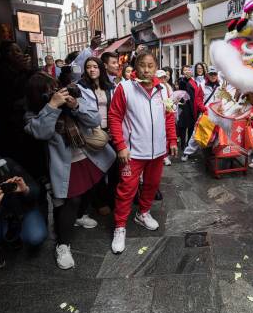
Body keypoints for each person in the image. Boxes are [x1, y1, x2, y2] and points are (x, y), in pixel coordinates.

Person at [24, 72, 115, 269]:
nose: (55, 93)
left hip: (87, 156)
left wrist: (75, 105)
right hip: (62, 165)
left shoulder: (70, 103)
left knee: (91, 187)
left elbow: (94, 120)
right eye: (48, 91)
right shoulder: (32, 114)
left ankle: (80, 216)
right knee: (69, 201)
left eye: (55, 87)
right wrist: (52, 106)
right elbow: (42, 132)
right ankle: (62, 244)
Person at [108, 51, 177, 254]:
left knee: (152, 185)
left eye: (150, 65)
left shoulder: (163, 89)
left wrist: (172, 139)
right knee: (126, 189)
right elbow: (114, 117)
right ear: (135, 67)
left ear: (156, 68)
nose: (146, 69)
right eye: (142, 65)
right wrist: (120, 145)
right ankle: (120, 226)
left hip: (157, 151)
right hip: (133, 152)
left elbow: (169, 116)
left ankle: (143, 213)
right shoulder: (125, 88)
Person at [0, 41, 38, 172]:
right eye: (10, 51)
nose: (15, 54)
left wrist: (28, 69)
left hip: (25, 119)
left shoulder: (25, 70)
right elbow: (6, 96)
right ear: (2, 54)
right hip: (7, 123)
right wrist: (19, 70)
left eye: (18, 50)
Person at [77, 57, 116, 219]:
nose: (92, 70)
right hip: (93, 133)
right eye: (88, 67)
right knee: (98, 168)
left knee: (114, 167)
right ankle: (99, 202)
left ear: (101, 69)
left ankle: (112, 198)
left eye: (95, 67)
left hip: (111, 131)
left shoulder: (110, 87)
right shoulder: (80, 88)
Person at [181, 67, 232, 161]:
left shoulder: (221, 85)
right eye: (211, 74)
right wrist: (204, 109)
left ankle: (214, 151)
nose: (213, 76)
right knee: (196, 133)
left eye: (215, 74)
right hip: (206, 113)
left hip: (218, 114)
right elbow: (198, 100)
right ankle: (187, 152)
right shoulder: (202, 85)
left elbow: (224, 98)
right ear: (207, 74)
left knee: (217, 134)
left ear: (217, 75)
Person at [178, 65, 202, 150]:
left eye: (188, 70)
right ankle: (182, 144)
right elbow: (181, 89)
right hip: (185, 107)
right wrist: (186, 78)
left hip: (193, 106)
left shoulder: (193, 81)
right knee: (183, 127)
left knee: (191, 126)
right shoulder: (181, 80)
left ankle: (188, 144)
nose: (187, 71)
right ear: (182, 72)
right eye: (185, 70)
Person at [157, 69, 175, 166]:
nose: (162, 79)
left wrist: (172, 105)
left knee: (164, 138)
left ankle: (164, 155)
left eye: (163, 77)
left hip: (164, 118)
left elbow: (169, 104)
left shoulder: (166, 88)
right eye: (160, 77)